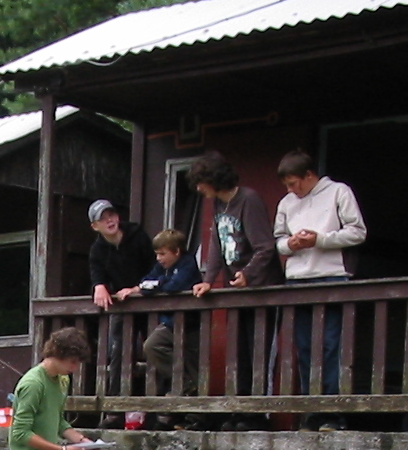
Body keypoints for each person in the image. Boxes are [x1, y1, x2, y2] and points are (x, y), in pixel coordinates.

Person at [272, 149, 366, 421]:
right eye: (287, 185)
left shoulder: (338, 192)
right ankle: (311, 414)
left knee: (332, 345)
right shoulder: (286, 203)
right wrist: (290, 244)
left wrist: (320, 240)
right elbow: (277, 240)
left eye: (294, 183)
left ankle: (333, 414)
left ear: (309, 175)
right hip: (297, 279)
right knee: (304, 347)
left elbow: (358, 232)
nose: (291, 190)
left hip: (332, 275)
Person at [188, 151, 280, 398]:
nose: (199, 188)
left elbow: (266, 247)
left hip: (262, 291)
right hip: (237, 292)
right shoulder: (218, 204)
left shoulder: (249, 200)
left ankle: (259, 409)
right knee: (239, 354)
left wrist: (248, 273)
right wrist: (208, 281)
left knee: (260, 353)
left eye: (201, 182)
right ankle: (241, 406)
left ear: (214, 179)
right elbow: (217, 245)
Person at [117, 228, 201, 397]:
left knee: (192, 360)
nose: (159, 258)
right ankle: (184, 382)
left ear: (176, 251)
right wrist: (143, 287)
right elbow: (146, 281)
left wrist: (157, 284)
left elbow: (174, 286)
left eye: (162, 254)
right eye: (157, 254)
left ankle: (193, 399)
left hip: (191, 323)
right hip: (170, 322)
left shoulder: (188, 264)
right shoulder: (162, 267)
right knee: (152, 346)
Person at [87, 199, 156, 396]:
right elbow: (97, 274)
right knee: (118, 351)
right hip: (123, 305)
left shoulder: (138, 235)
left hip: (150, 300)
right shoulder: (97, 250)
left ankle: (160, 398)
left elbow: (156, 268)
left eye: (111, 215)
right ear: (95, 226)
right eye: (103, 219)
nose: (109, 221)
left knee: (155, 348)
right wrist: (99, 286)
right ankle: (115, 401)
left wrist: (138, 288)